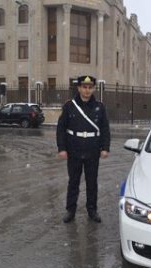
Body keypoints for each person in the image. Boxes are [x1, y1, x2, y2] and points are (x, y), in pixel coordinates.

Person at [56, 76, 110, 223]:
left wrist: (105, 148)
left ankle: (92, 210)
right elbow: (61, 128)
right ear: (79, 88)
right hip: (74, 149)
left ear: (93, 89)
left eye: (90, 87)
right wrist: (62, 148)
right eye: (84, 87)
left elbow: (105, 128)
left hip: (93, 150)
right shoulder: (69, 106)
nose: (87, 90)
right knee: (73, 182)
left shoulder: (99, 106)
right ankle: (70, 210)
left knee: (92, 182)